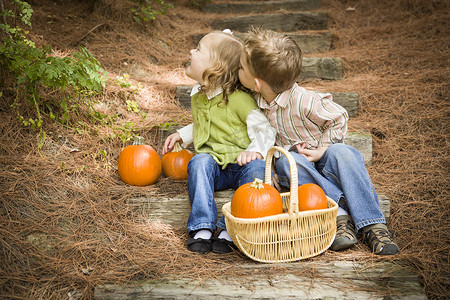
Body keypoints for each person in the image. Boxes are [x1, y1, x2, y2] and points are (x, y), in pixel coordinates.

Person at [238, 27, 399, 255]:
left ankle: (373, 224)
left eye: (241, 67)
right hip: (302, 173)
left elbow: (339, 117)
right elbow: (266, 142)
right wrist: (272, 166)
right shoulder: (253, 104)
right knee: (287, 162)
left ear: (256, 83)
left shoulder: (305, 101)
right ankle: (340, 215)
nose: (237, 70)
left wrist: (323, 150)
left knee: (345, 152)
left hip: (324, 160)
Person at [163, 30, 276, 254]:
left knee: (257, 168)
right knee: (198, 161)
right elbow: (204, 124)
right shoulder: (199, 96)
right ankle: (202, 227)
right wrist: (183, 135)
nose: (191, 51)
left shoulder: (240, 100)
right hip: (215, 166)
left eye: (198, 49)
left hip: (241, 165)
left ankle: (228, 229)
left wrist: (254, 152)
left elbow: (265, 129)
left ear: (216, 67)